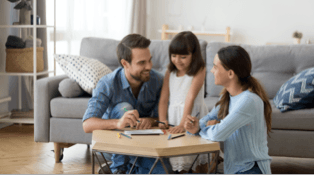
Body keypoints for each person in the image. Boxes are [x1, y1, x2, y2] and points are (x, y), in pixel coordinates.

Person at [82, 34, 170, 174]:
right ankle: (118, 170)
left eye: (150, 60)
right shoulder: (107, 83)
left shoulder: (157, 81)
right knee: (125, 108)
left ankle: (127, 169)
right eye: (141, 63)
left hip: (144, 145)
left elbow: (161, 118)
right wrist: (118, 123)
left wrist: (150, 121)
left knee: (163, 171)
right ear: (125, 63)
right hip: (115, 147)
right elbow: (87, 124)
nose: (149, 66)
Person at [184, 45, 272, 174]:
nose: (212, 71)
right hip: (235, 169)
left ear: (230, 73)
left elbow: (218, 133)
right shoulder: (228, 98)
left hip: (251, 169)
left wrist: (199, 129)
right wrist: (196, 126)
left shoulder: (248, 101)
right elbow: (204, 121)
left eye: (215, 67)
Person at [158, 31, 209, 173]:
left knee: (198, 156)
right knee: (180, 157)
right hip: (175, 116)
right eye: (174, 56)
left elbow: (190, 97)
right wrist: (162, 121)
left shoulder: (199, 69)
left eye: (183, 57)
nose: (177, 60)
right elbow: (163, 99)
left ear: (194, 55)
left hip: (192, 115)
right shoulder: (170, 71)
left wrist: (183, 123)